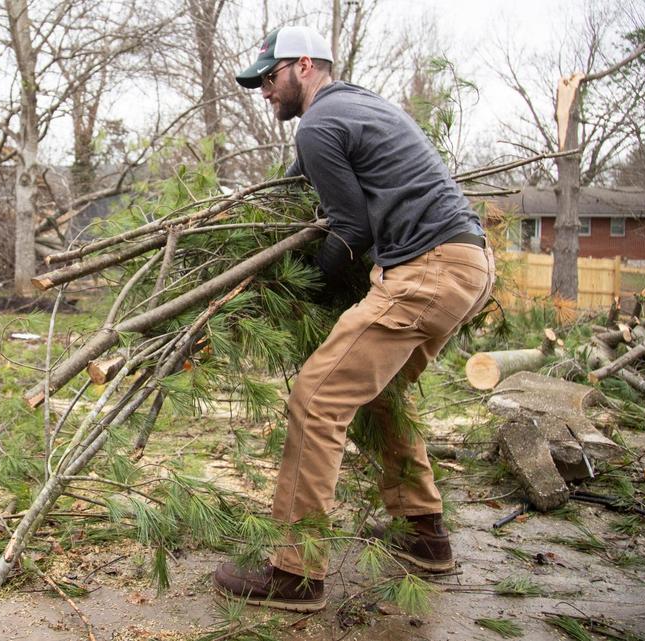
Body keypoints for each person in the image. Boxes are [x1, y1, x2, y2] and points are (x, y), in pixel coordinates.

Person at [213, 26, 495, 612]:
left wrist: (307, 289)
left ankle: (294, 572)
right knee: (379, 392)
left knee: (316, 398)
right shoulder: (356, 105)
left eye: (270, 77)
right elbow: (298, 183)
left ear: (304, 65)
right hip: (467, 264)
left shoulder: (320, 122)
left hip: (426, 271)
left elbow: (350, 230)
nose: (265, 90)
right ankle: (423, 533)